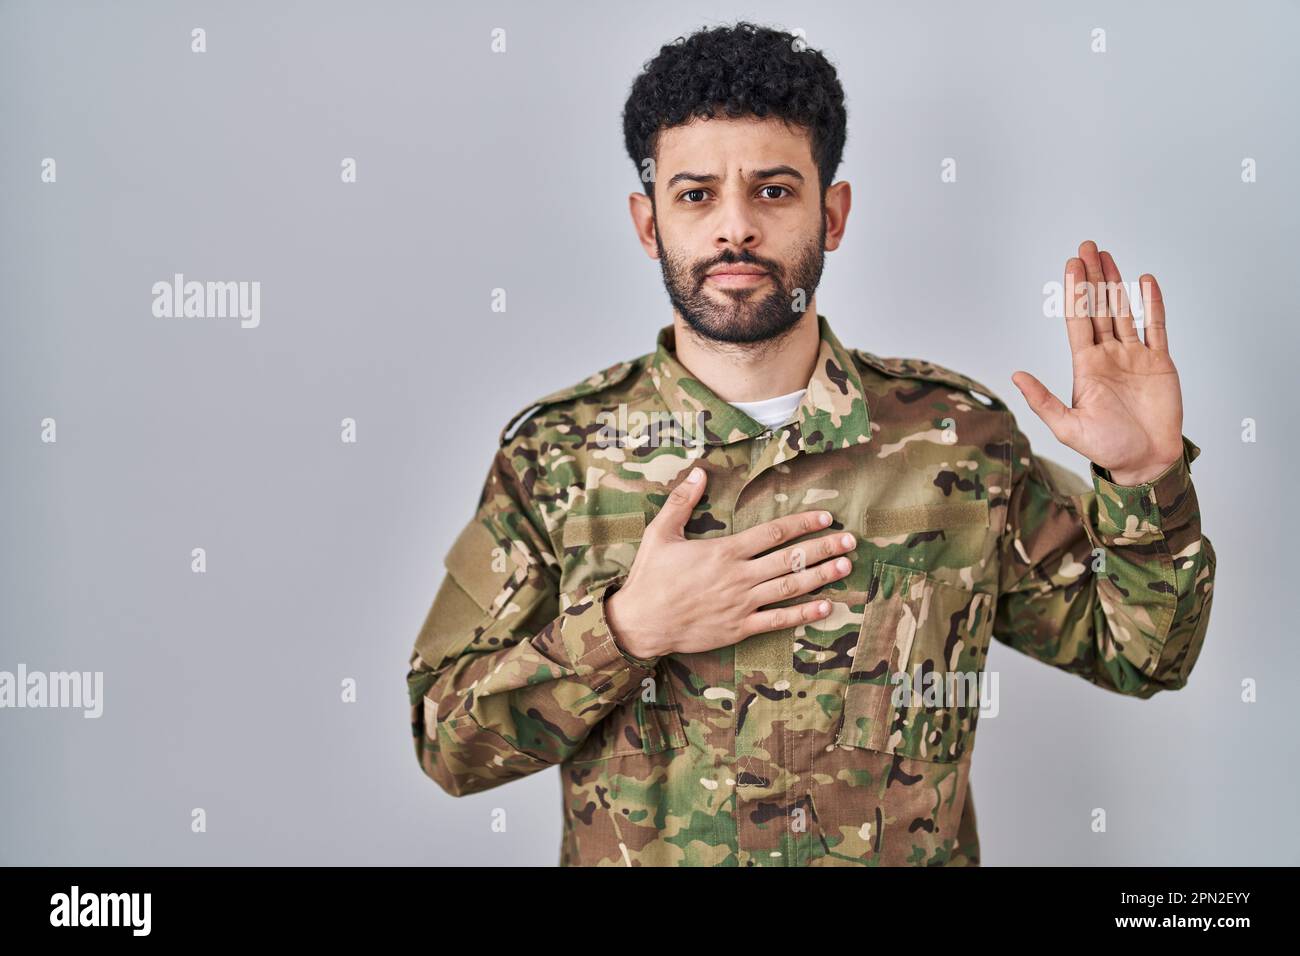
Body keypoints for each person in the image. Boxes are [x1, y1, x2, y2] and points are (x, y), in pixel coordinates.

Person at [406, 22, 1216, 866]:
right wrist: (625, 630)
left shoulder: (958, 443)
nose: (735, 230)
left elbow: (1142, 656)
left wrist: (1143, 476)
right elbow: (446, 746)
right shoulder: (558, 458)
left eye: (773, 191)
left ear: (831, 214)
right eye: (695, 195)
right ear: (649, 224)